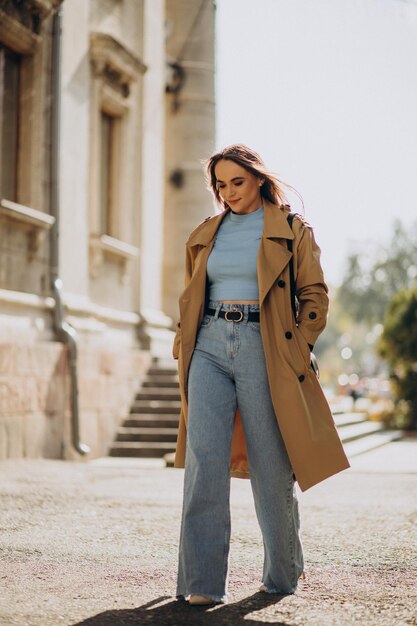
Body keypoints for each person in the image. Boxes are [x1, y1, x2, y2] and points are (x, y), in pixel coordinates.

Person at [172, 144, 350, 606]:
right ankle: (202, 584)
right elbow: (191, 296)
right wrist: (182, 344)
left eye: (237, 182)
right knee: (204, 464)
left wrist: (298, 346)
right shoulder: (205, 233)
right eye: (220, 184)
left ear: (257, 178)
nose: (228, 192)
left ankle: (282, 573)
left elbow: (314, 295)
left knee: (271, 468)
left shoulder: (291, 230)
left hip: (265, 347)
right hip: (208, 345)